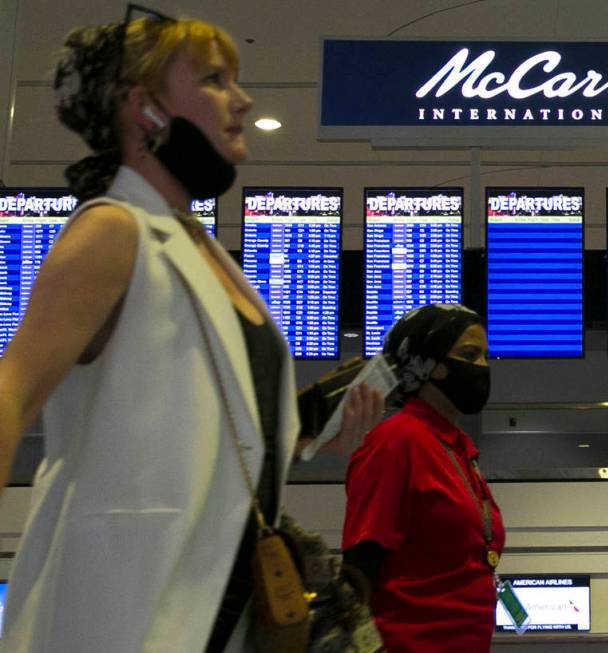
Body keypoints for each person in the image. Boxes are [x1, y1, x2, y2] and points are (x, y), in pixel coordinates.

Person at [0, 11, 382, 652]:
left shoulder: (202, 248)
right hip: (121, 610)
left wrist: (305, 437)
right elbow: (13, 390)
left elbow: (195, 427)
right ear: (141, 108)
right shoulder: (112, 231)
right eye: (213, 79)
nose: (244, 98)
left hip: (212, 608)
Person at [342, 304, 505, 653]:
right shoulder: (396, 441)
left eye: (485, 356)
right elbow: (360, 567)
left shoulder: (458, 447)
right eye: (469, 354)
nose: (482, 367)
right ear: (426, 364)